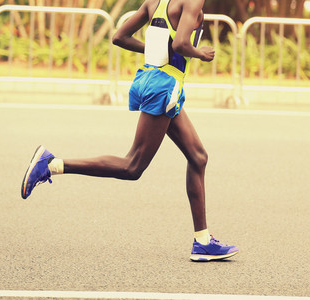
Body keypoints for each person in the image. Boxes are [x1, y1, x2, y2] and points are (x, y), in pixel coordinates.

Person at [20, 0, 238, 262]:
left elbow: (119, 37)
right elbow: (181, 44)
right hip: (164, 86)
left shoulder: (155, 2)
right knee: (132, 166)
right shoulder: (192, 1)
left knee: (198, 157)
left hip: (153, 77)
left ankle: (202, 242)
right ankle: (52, 164)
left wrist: (155, 50)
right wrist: (200, 53)